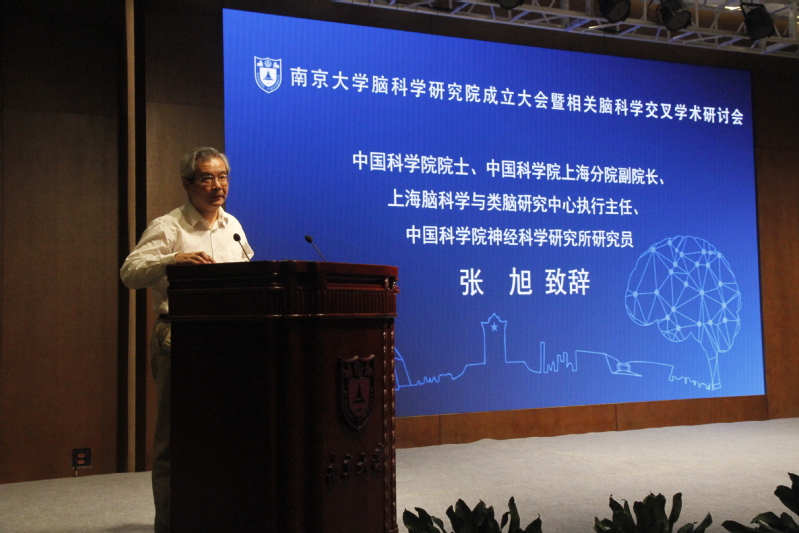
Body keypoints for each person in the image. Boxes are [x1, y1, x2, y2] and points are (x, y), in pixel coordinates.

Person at [120, 147, 253, 533]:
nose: (218, 185)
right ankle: (170, 524)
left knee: (225, 435)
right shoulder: (169, 226)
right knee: (175, 440)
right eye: (208, 178)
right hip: (179, 338)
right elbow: (130, 272)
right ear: (187, 184)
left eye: (223, 177)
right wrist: (170, 261)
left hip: (229, 339)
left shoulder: (232, 225)